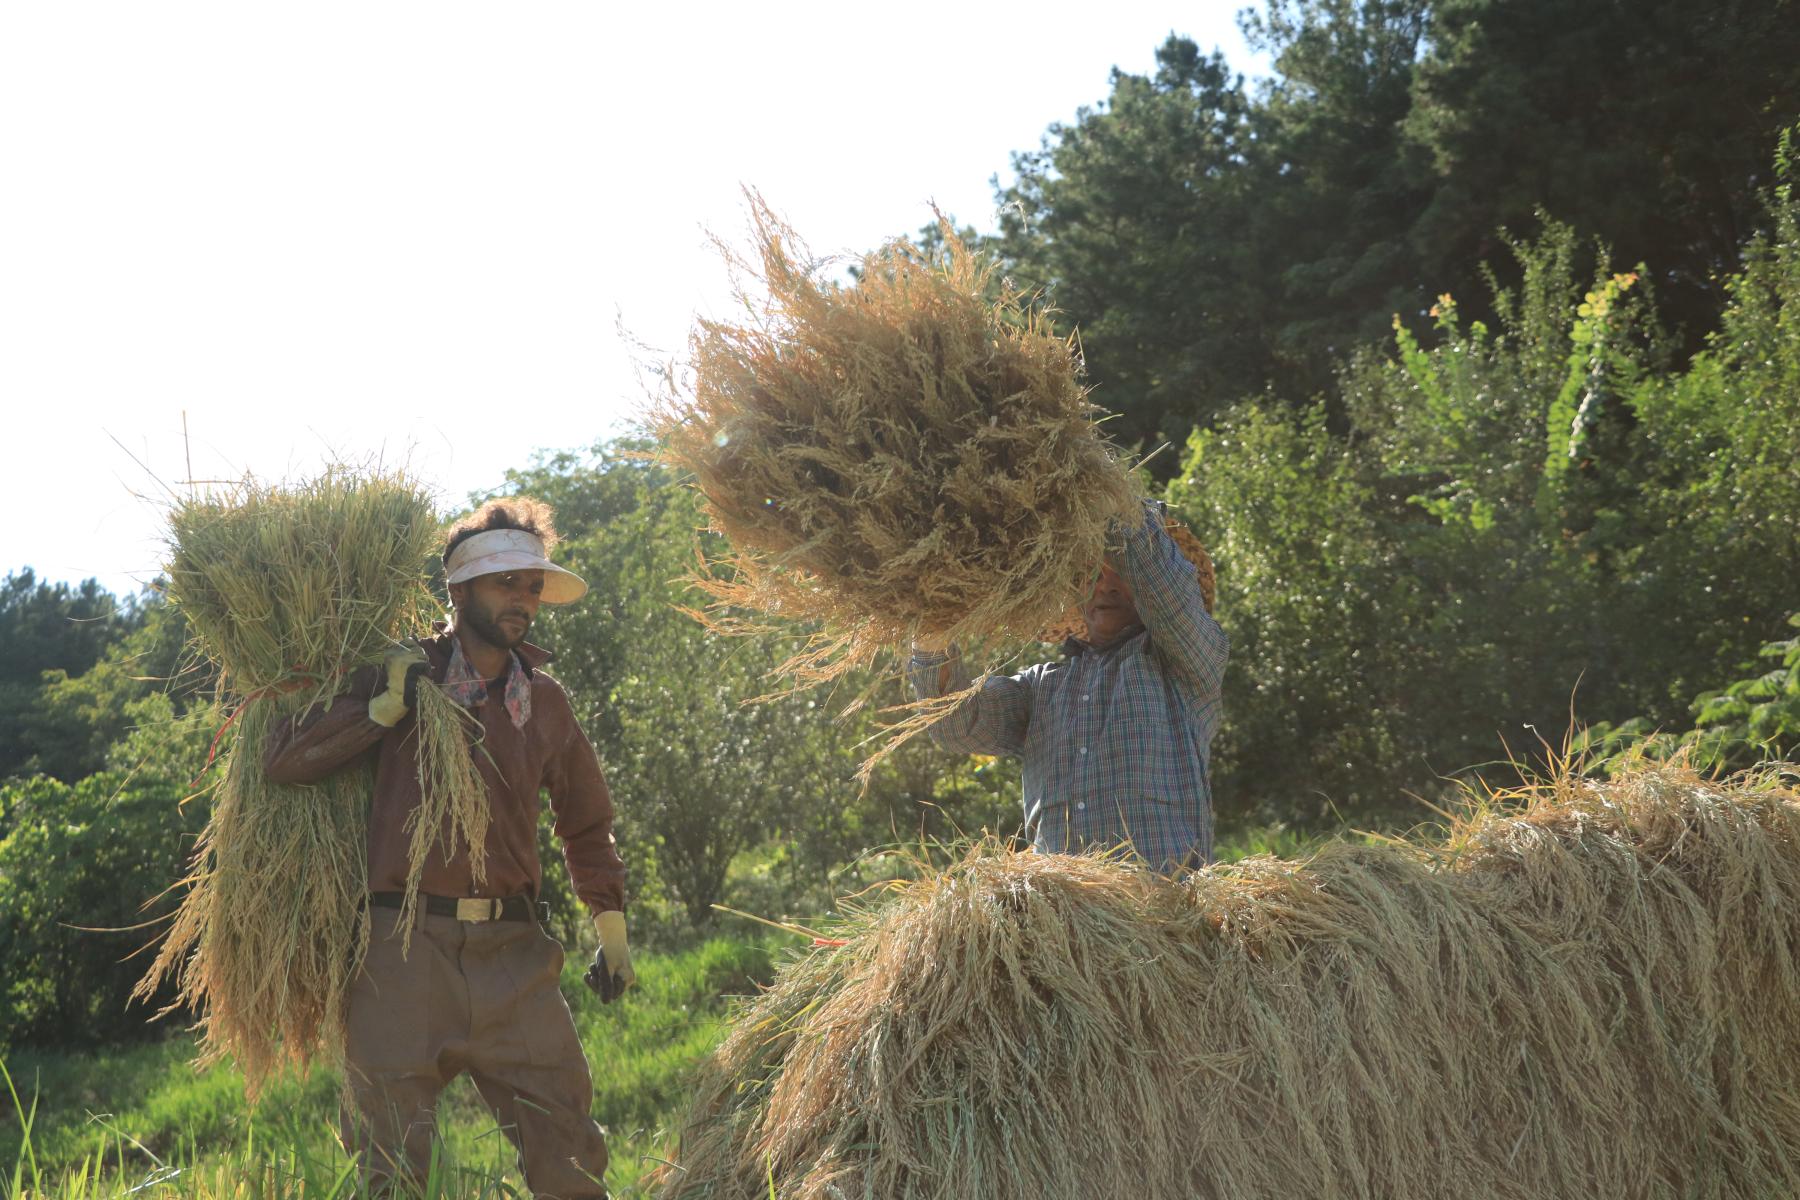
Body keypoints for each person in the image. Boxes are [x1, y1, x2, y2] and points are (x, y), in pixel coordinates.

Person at [263, 497, 629, 1199]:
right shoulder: (401, 672)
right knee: (392, 1168)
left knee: (570, 1160)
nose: (523, 599)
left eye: (532, 585)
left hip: (516, 955)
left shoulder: (544, 700)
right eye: (505, 583)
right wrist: (379, 711)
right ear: (459, 591)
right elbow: (285, 760)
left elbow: (585, 819)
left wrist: (610, 928)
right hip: (403, 953)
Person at [909, 499, 1228, 871]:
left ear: (1143, 584)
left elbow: (1170, 595)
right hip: (1064, 922)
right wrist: (930, 622)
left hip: (1162, 915)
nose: (1105, 584)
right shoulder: (1040, 688)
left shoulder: (1184, 665)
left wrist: (1110, 500)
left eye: (1120, 570)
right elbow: (956, 725)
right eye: (1092, 572)